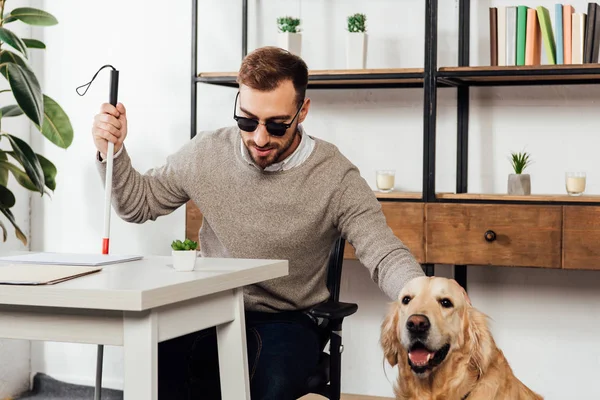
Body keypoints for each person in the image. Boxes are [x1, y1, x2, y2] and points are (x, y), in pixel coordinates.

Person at [92, 46, 425, 399]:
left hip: (287, 318)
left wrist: (423, 292)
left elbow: (383, 251)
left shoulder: (335, 176)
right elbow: (136, 204)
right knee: (155, 370)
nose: (260, 138)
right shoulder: (206, 152)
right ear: (237, 103)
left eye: (277, 124)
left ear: (303, 111)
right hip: (208, 308)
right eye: (247, 121)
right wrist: (110, 151)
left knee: (269, 385)